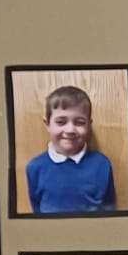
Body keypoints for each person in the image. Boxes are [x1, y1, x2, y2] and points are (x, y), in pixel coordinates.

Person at [26, 84, 116, 215]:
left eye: (79, 122)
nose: (70, 130)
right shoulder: (35, 168)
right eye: (61, 122)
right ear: (48, 125)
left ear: (89, 125)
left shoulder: (102, 164)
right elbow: (37, 212)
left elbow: (110, 212)